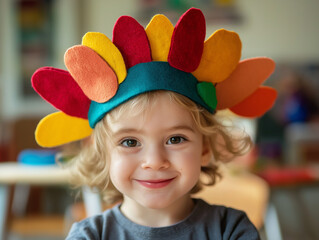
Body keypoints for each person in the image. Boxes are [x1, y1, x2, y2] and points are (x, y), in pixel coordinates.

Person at [31, 8, 276, 240]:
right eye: (129, 142)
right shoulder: (89, 236)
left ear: (204, 148)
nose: (155, 161)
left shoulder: (231, 230)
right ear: (103, 152)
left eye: (175, 139)